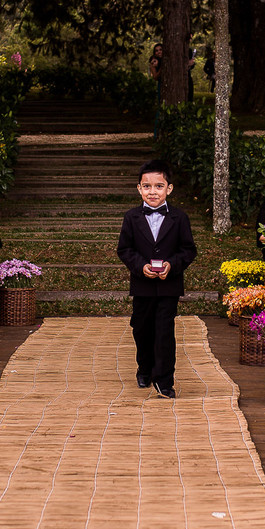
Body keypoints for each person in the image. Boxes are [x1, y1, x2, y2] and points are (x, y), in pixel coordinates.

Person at [116, 159, 197, 399]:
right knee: (141, 328)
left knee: (164, 331)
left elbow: (188, 250)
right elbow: (124, 249)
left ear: (169, 189)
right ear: (139, 189)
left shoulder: (179, 218)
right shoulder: (131, 218)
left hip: (168, 285)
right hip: (142, 285)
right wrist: (140, 266)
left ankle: (164, 380)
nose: (153, 191)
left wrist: (173, 265)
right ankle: (144, 367)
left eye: (159, 186)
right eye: (147, 186)